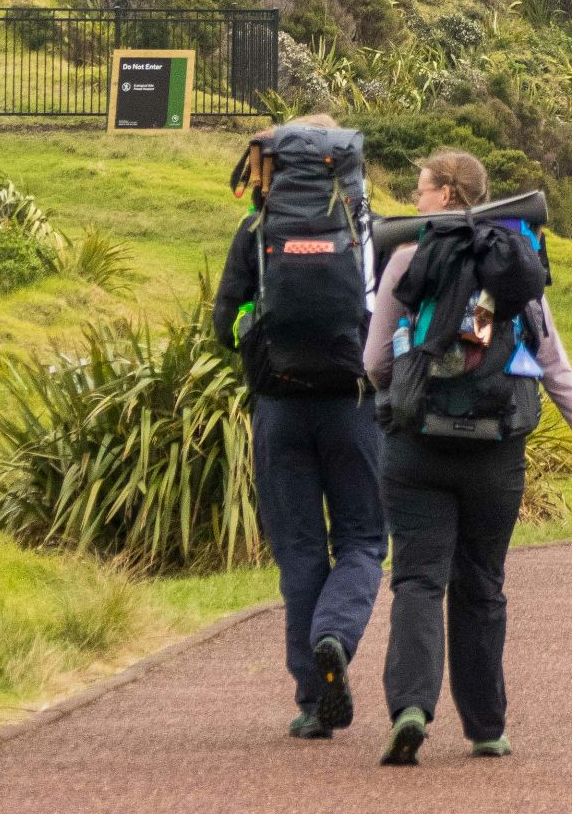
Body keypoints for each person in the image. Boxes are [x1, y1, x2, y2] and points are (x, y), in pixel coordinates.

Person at [365, 148, 572, 765]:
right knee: (482, 586)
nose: (416, 199)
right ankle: (486, 728)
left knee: (418, 580)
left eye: (422, 189)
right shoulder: (516, 264)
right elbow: (552, 365)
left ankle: (413, 708)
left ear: (448, 193)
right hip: (495, 454)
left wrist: (395, 395)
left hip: (416, 446)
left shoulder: (405, 257)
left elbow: (373, 362)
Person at [213, 114, 385, 741]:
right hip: (351, 403)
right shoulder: (366, 229)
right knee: (364, 538)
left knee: (299, 551)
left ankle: (313, 703)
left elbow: (223, 321)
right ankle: (334, 634)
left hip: (279, 406)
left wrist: (256, 351)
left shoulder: (256, 230)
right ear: (343, 166)